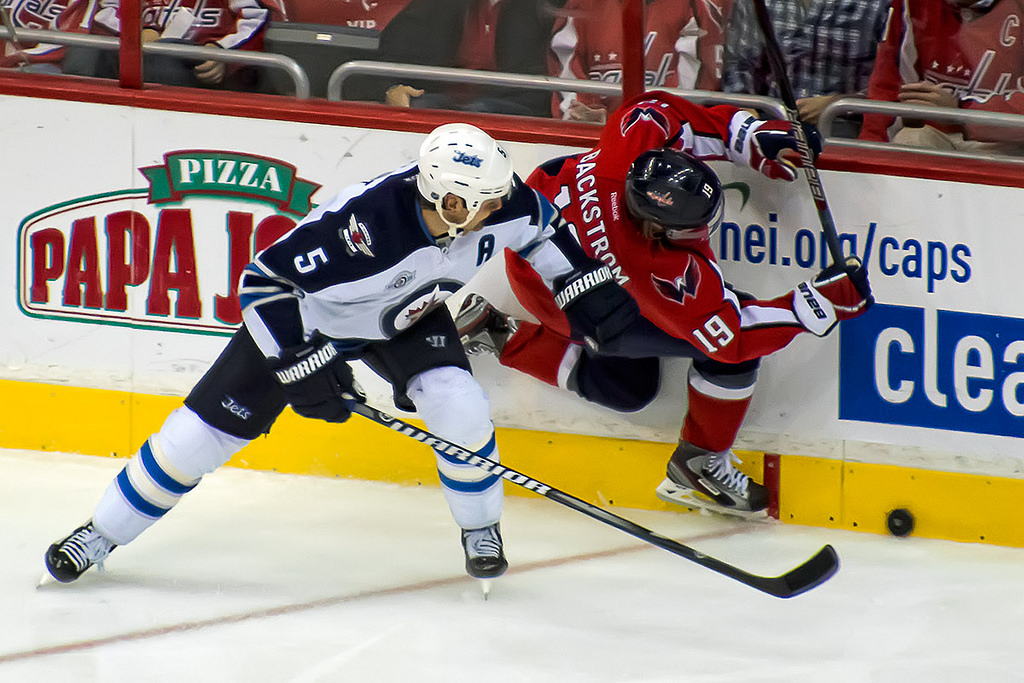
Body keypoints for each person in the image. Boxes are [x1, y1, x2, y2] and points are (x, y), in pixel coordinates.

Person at [44, 123, 636, 584]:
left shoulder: (499, 200)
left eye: (496, 197)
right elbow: (263, 284)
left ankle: (480, 529)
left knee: (459, 403)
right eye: (479, 203)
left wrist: (584, 287)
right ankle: (101, 533)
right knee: (194, 442)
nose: (494, 211)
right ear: (444, 199)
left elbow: (543, 230)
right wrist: (300, 365)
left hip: (407, 317)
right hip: (309, 323)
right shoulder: (364, 224)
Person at [456, 90, 873, 516]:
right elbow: (731, 338)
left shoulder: (626, 158)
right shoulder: (655, 269)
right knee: (720, 360)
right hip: (561, 294)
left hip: (538, 236)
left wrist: (747, 135)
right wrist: (815, 304)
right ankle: (700, 464)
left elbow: (658, 110)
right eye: (692, 227)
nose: (701, 233)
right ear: (655, 230)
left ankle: (497, 332)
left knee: (629, 388)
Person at [858, 0, 1024, 154]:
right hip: (933, 132)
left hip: (1005, 140)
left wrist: (961, 113)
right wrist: (870, 151)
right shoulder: (911, 4)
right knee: (911, 140)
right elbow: (887, 84)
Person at [721, 0, 891, 136]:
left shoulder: (879, 4)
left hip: (847, 130)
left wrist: (838, 104)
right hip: (771, 123)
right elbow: (739, 63)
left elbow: (890, 83)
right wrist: (747, 111)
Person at [548, 0, 733, 123]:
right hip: (596, 143)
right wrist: (589, 115)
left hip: (664, 147)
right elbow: (568, 83)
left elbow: (688, 102)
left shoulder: (695, 8)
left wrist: (613, 121)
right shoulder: (580, 7)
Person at [374, 0, 560, 116]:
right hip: (437, 101)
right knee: (417, 110)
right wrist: (392, 89)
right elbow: (392, 51)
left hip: (511, 106)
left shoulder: (545, 7)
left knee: (476, 112)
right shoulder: (435, 4)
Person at [56, 0, 283, 92]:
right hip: (135, 55)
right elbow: (106, 11)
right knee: (83, 51)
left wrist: (222, 53)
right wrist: (137, 32)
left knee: (164, 59)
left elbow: (257, 20)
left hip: (198, 63)